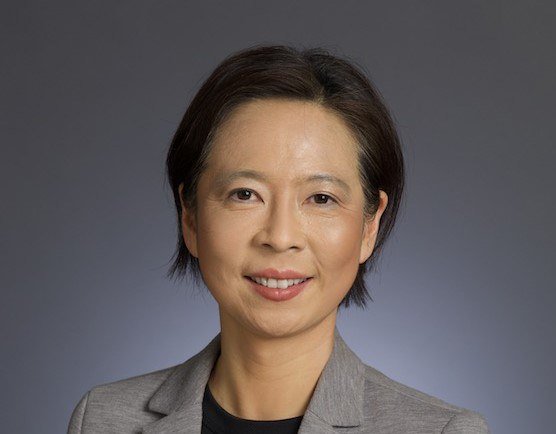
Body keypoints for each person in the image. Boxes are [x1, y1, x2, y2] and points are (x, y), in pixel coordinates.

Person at [67, 44, 490, 433]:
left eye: (321, 198)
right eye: (245, 194)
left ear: (369, 226)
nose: (280, 236)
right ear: (190, 217)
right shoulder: (104, 419)